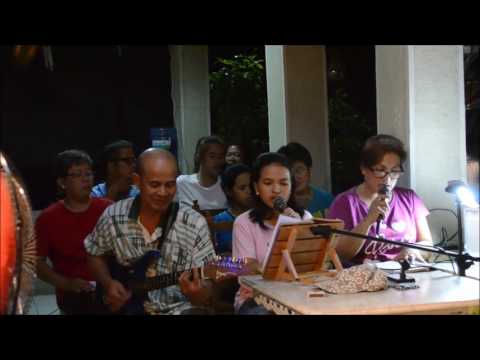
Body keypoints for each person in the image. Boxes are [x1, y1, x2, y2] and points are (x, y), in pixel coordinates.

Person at [85, 148, 219, 315]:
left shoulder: (194, 222)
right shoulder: (113, 215)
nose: (163, 193)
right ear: (137, 181)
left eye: (170, 185)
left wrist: (199, 293)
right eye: (155, 184)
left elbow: (207, 286)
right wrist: (108, 283)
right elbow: (93, 253)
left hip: (178, 309)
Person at [328, 134, 433, 266]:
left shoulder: (409, 198)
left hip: (405, 275)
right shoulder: (344, 202)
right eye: (380, 170)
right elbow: (340, 254)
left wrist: (413, 250)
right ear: (364, 169)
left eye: (394, 171)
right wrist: (367, 221)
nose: (387, 179)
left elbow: (428, 244)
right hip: (364, 279)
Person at [232, 152, 312, 314]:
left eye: (283, 183)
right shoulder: (244, 222)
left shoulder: (305, 217)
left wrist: (299, 228)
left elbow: (312, 264)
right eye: (268, 183)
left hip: (300, 295)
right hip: (255, 298)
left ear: (291, 187)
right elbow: (247, 267)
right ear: (256, 187)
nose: (276, 190)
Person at [35, 150, 112, 314]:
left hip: (112, 291)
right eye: (77, 175)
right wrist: (67, 283)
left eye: (88, 173)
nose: (86, 179)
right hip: (73, 298)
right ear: (62, 182)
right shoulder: (48, 218)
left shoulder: (109, 208)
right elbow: (36, 262)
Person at [277, 142, 333, 218]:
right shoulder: (277, 203)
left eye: (299, 170)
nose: (294, 177)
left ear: (309, 171)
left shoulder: (326, 200)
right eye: (288, 172)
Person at [176, 135, 228, 210]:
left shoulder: (226, 186)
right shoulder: (182, 183)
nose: (217, 162)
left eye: (220, 157)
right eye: (212, 156)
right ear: (199, 157)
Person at [213, 164, 253, 254]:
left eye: (251, 186)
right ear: (228, 191)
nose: (249, 191)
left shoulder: (261, 216)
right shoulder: (220, 220)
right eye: (242, 188)